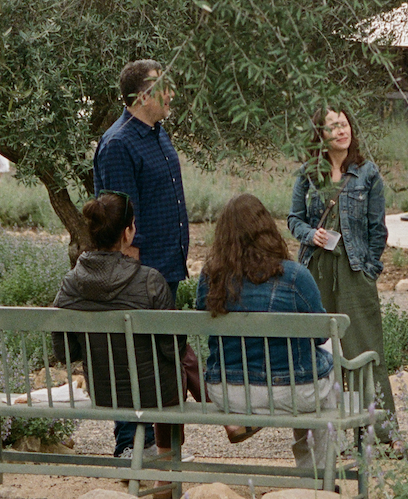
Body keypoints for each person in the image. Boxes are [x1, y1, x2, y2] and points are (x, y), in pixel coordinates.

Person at [195, 194, 339, 471]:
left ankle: (252, 416)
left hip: (228, 392)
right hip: (292, 391)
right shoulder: (295, 276)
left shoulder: (210, 279)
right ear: (268, 230)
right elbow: (321, 335)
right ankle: (318, 473)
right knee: (329, 354)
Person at [92, 59, 188, 457]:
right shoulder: (118, 144)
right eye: (164, 87)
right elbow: (121, 222)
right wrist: (134, 278)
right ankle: (130, 445)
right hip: (141, 273)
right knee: (133, 358)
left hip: (167, 267)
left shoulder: (157, 134)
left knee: (161, 360)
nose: (171, 94)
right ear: (143, 95)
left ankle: (161, 446)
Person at [52, 193, 189, 468]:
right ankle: (168, 462)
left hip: (104, 392)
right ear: (128, 233)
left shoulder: (70, 284)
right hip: (154, 393)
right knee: (181, 367)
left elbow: (66, 352)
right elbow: (172, 349)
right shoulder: (150, 281)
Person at [289, 108, 397, 447]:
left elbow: (378, 229)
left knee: (367, 350)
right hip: (316, 272)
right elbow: (294, 219)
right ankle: (324, 436)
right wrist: (310, 235)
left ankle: (382, 434)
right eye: (333, 126)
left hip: (354, 273)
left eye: (345, 124)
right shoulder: (308, 174)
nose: (341, 131)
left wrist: (370, 270)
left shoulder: (368, 173)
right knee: (319, 351)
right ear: (320, 135)